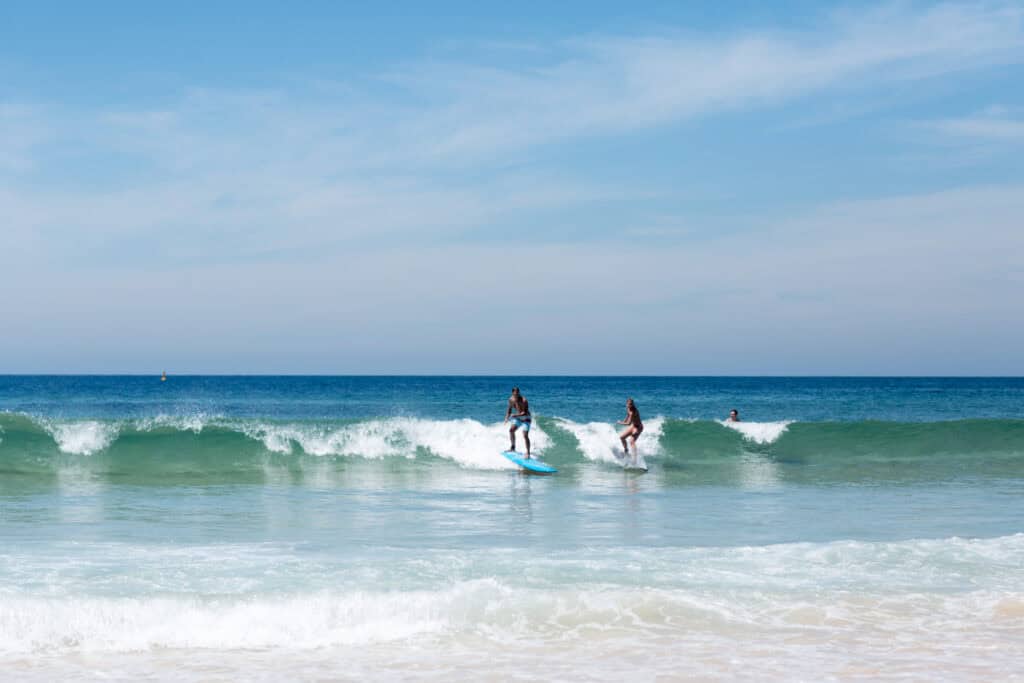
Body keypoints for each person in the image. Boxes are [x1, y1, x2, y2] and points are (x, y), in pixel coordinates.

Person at [504, 386, 532, 458]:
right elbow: (509, 409)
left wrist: (515, 415)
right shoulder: (511, 400)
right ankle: (513, 447)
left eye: (517, 393)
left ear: (519, 393)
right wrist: (506, 418)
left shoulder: (524, 400)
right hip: (518, 418)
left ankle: (528, 453)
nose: (516, 395)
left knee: (525, 435)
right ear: (512, 393)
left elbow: (525, 413)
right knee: (511, 430)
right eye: (515, 394)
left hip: (526, 418)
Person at [617, 398, 643, 462]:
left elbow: (628, 423)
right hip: (633, 426)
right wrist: (624, 420)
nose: (630, 405)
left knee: (631, 441)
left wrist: (621, 422)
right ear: (627, 404)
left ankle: (635, 459)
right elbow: (627, 415)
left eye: (631, 404)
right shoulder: (628, 409)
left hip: (638, 427)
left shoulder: (633, 411)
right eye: (629, 404)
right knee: (622, 437)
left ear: (633, 404)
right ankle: (626, 450)